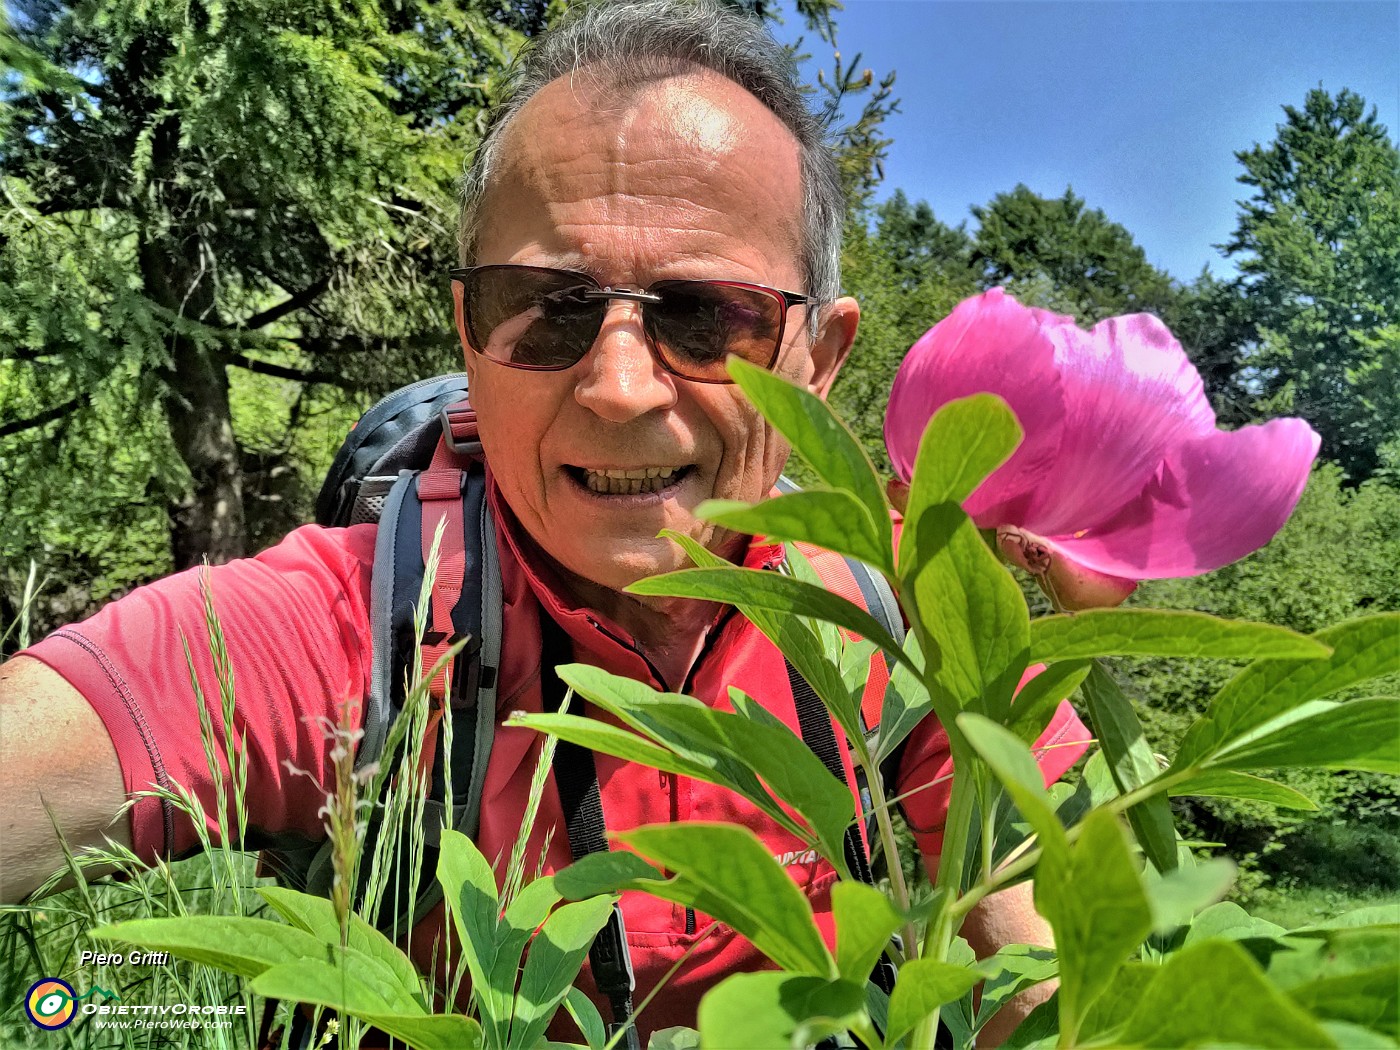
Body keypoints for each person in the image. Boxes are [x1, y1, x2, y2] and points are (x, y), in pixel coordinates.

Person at [0, 0, 1088, 1041]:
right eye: (547, 306)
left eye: (706, 315)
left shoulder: (901, 610)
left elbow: (1060, 985)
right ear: (469, 336)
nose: (619, 387)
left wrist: (1096, 653)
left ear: (819, 358)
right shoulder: (359, 621)